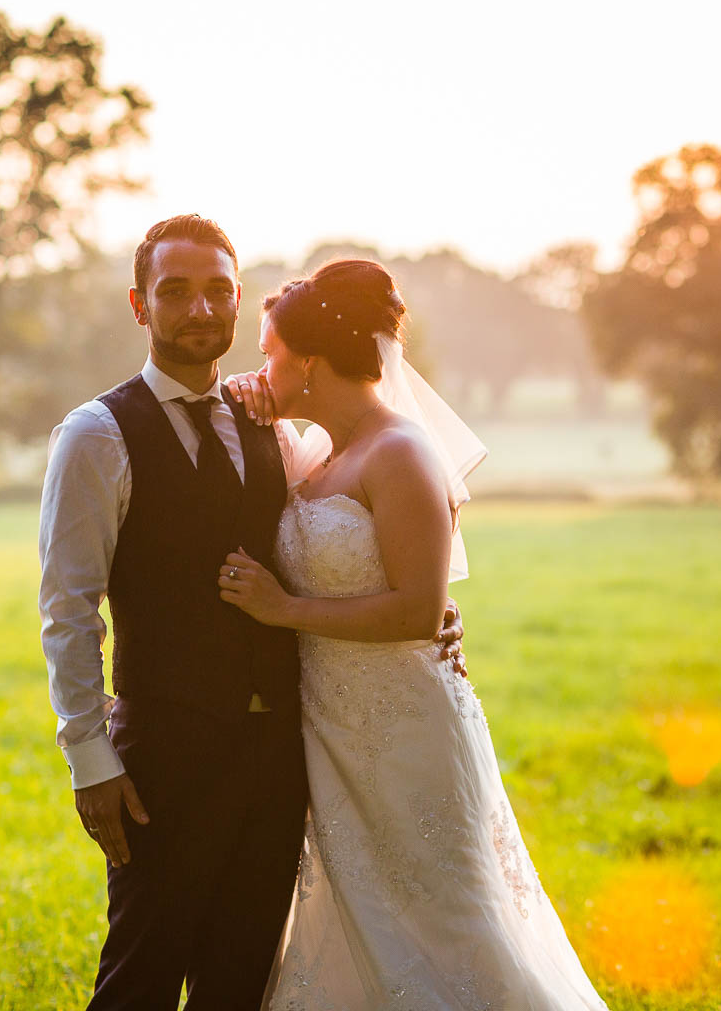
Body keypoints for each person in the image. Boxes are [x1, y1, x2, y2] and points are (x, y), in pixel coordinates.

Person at [36, 217, 465, 1010]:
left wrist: (430, 614)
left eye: (217, 291)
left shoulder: (274, 429)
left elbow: (365, 521)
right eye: (175, 291)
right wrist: (90, 757)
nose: (199, 308)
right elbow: (67, 609)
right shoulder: (97, 435)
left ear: (237, 304)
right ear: (140, 305)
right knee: (141, 973)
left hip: (279, 756)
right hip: (161, 755)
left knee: (242, 982)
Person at [217, 259, 609, 1010]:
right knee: (355, 917)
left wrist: (284, 610)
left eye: (267, 352)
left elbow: (419, 612)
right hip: (331, 726)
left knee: (445, 922)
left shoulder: (400, 452)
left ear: (310, 362)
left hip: (406, 727)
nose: (259, 367)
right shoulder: (316, 454)